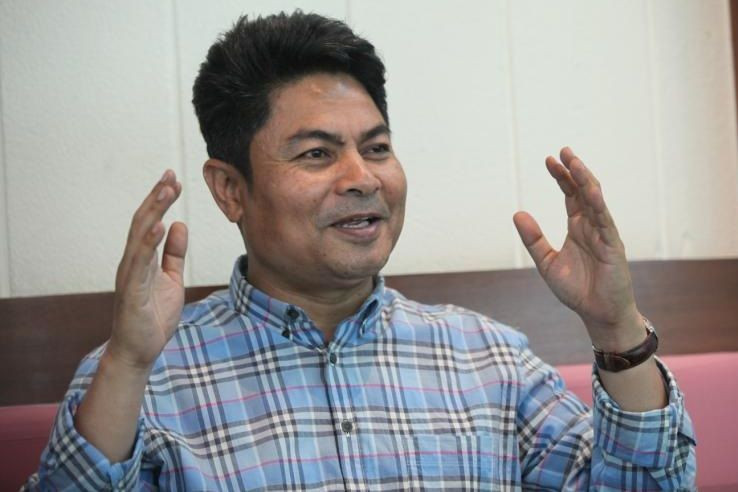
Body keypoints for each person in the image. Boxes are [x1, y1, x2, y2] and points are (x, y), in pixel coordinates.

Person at [25, 11, 695, 491]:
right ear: (231, 190)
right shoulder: (142, 374)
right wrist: (128, 364)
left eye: (376, 148)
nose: (362, 178)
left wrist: (616, 329)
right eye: (317, 154)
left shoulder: (491, 362)